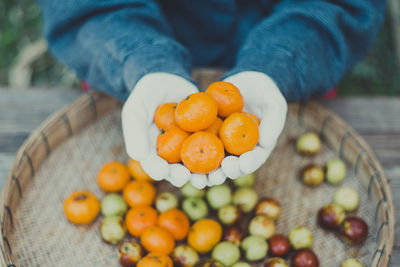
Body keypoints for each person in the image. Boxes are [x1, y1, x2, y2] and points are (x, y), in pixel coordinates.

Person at [36, 0, 386, 188]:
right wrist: (141, 61)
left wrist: (281, 60)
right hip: (129, 51)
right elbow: (84, 6)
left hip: (302, 56)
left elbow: (344, 3)